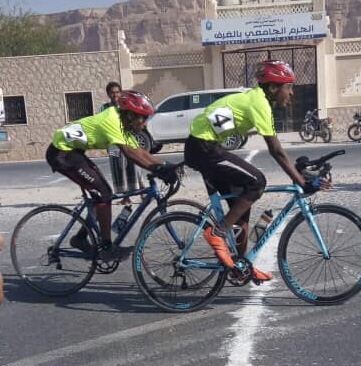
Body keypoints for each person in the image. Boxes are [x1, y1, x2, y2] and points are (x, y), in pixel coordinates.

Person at [184, 60, 331, 282]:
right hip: (203, 147)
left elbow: (279, 152)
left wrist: (299, 172)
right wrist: (301, 182)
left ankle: (240, 267)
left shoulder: (257, 99)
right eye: (288, 87)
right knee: (257, 182)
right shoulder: (259, 103)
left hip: (206, 145)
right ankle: (217, 233)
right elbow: (277, 151)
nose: (290, 94)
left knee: (241, 210)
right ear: (273, 88)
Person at [45, 91, 179, 262]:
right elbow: (130, 153)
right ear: (130, 114)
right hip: (61, 153)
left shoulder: (125, 125)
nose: (145, 124)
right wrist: (159, 170)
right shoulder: (112, 119)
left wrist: (166, 165)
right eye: (143, 118)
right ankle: (107, 247)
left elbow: (140, 152)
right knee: (103, 194)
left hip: (75, 151)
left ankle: (79, 238)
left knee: (99, 195)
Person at [101, 82, 140, 205]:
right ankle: (125, 197)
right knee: (118, 170)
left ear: (120, 93)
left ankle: (141, 193)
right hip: (113, 143)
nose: (115, 95)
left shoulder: (126, 106)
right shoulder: (104, 108)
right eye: (112, 92)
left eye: (117, 92)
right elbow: (102, 124)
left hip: (127, 140)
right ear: (108, 94)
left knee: (134, 167)